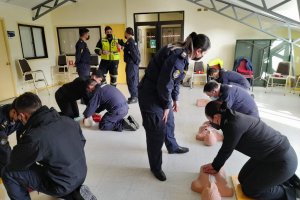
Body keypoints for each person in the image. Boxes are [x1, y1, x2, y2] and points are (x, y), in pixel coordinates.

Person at [138, 32, 211, 181]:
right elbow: (165, 84)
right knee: (155, 133)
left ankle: (172, 146)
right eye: (204, 52)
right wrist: (166, 104)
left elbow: (175, 80)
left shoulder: (182, 50)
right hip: (150, 95)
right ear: (198, 51)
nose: (203, 55)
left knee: (169, 121)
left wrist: (174, 99)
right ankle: (155, 167)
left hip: (161, 93)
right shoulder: (178, 57)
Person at [1, 92, 96, 200]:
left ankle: (70, 192)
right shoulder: (68, 120)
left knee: (8, 172)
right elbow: (81, 142)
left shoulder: (35, 137)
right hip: (80, 174)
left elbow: (14, 163)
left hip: (62, 184)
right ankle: (77, 194)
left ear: (22, 115)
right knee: (48, 158)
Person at [202, 100, 299, 200]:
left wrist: (215, 166)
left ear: (217, 117)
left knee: (250, 190)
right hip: (266, 156)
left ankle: (290, 192)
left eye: (210, 120)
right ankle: (282, 179)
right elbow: (228, 138)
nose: (211, 123)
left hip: (282, 161)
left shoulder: (233, 124)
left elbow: (226, 149)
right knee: (242, 179)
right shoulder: (229, 116)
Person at [0, 102, 22, 175]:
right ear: (13, 112)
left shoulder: (18, 116)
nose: (22, 119)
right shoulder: (1, 118)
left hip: (2, 135)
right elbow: (3, 143)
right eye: (20, 117)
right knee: (6, 157)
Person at [123, 27, 141, 104]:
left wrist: (136, 62)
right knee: (133, 80)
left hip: (131, 65)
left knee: (131, 81)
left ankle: (134, 97)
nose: (124, 33)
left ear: (127, 33)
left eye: (125, 32)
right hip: (133, 64)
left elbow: (134, 54)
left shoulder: (130, 42)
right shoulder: (131, 42)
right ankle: (134, 95)